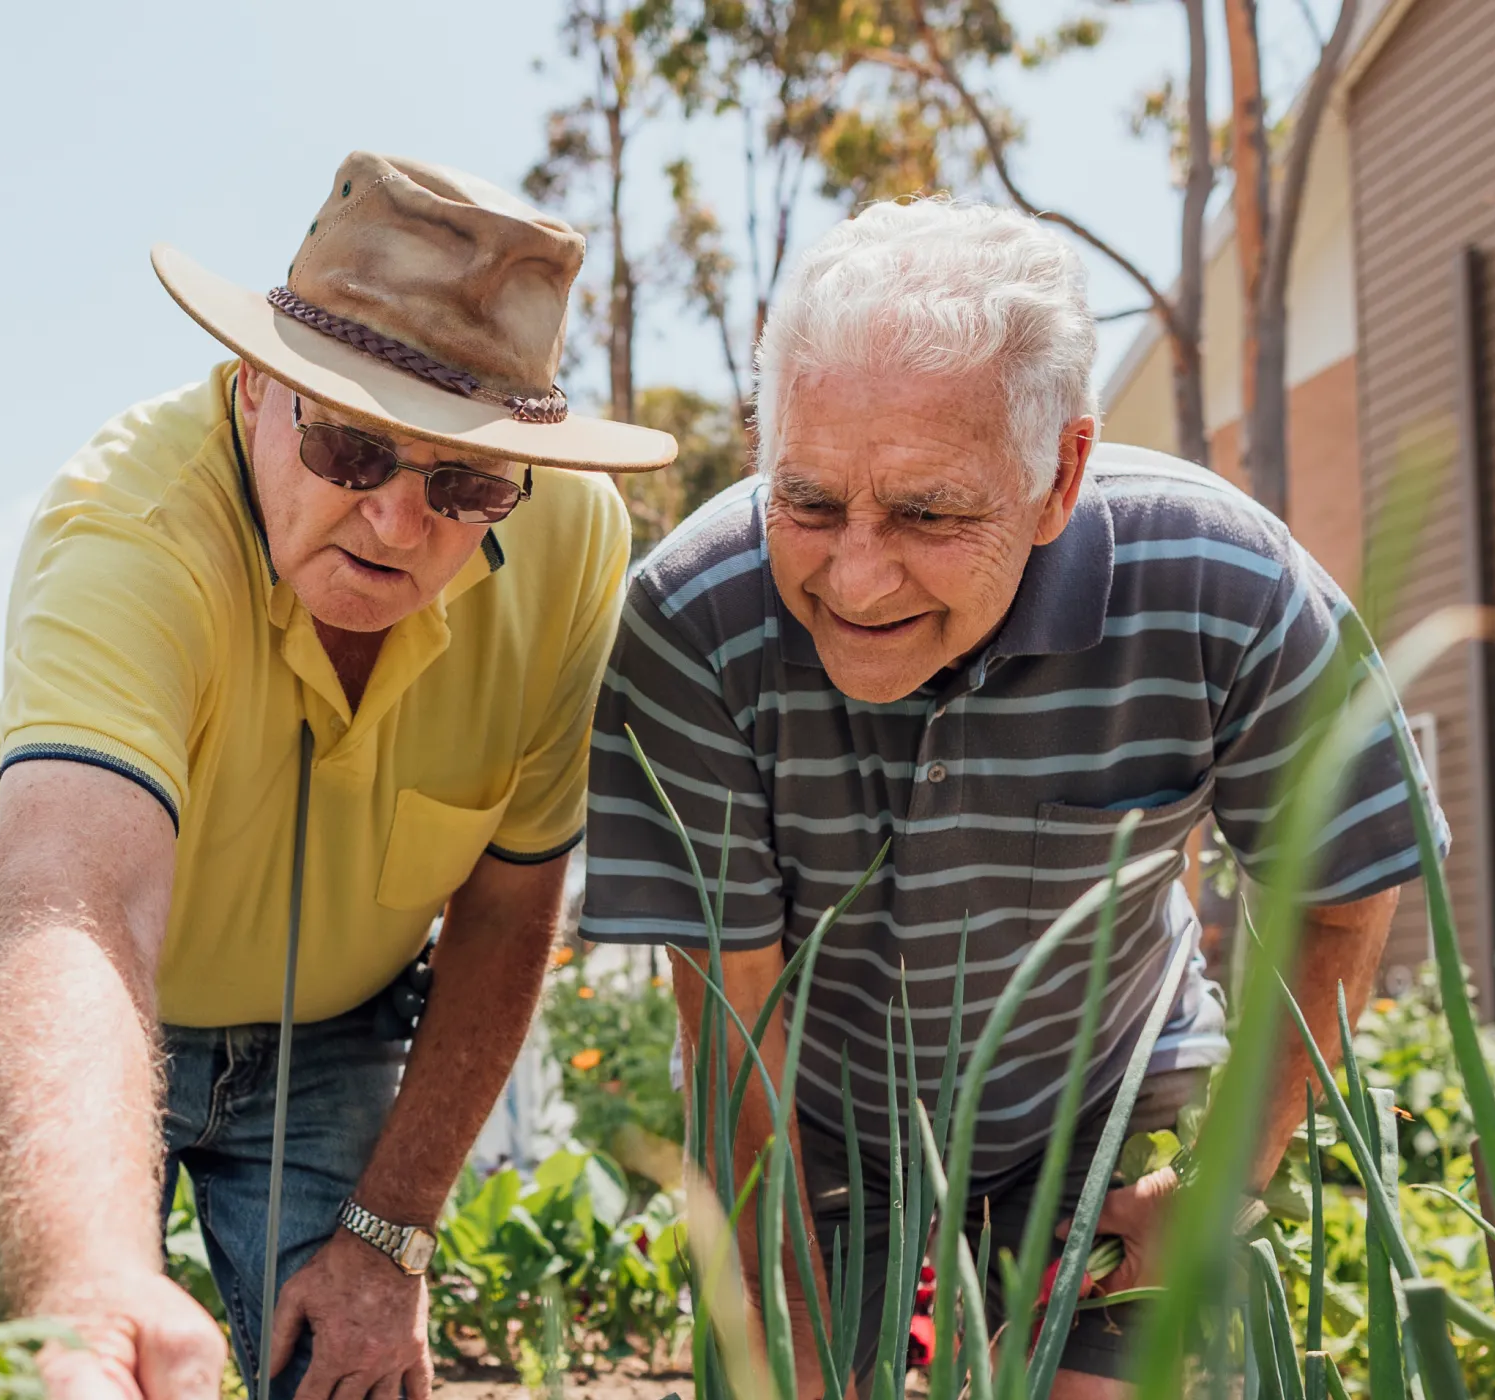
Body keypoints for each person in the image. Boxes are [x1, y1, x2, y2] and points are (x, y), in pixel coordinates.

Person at [578, 198, 1443, 1395]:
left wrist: (1225, 1177)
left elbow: (1346, 892)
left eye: (929, 513)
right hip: (820, 1139)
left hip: (1109, 1110)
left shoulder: (1223, 583)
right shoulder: (693, 621)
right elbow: (733, 1035)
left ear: (1059, 473)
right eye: (811, 500)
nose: (857, 574)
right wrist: (794, 1340)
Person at [0, 151, 676, 1400]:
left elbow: (506, 907)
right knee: (54, 1363)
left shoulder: (571, 538)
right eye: (349, 449)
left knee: (349, 1373)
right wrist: (89, 1281)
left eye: (464, 482)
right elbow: (77, 910)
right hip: (90, 1002)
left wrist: (390, 1239)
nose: (398, 522)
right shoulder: (128, 528)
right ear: (252, 387)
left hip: (332, 1029)